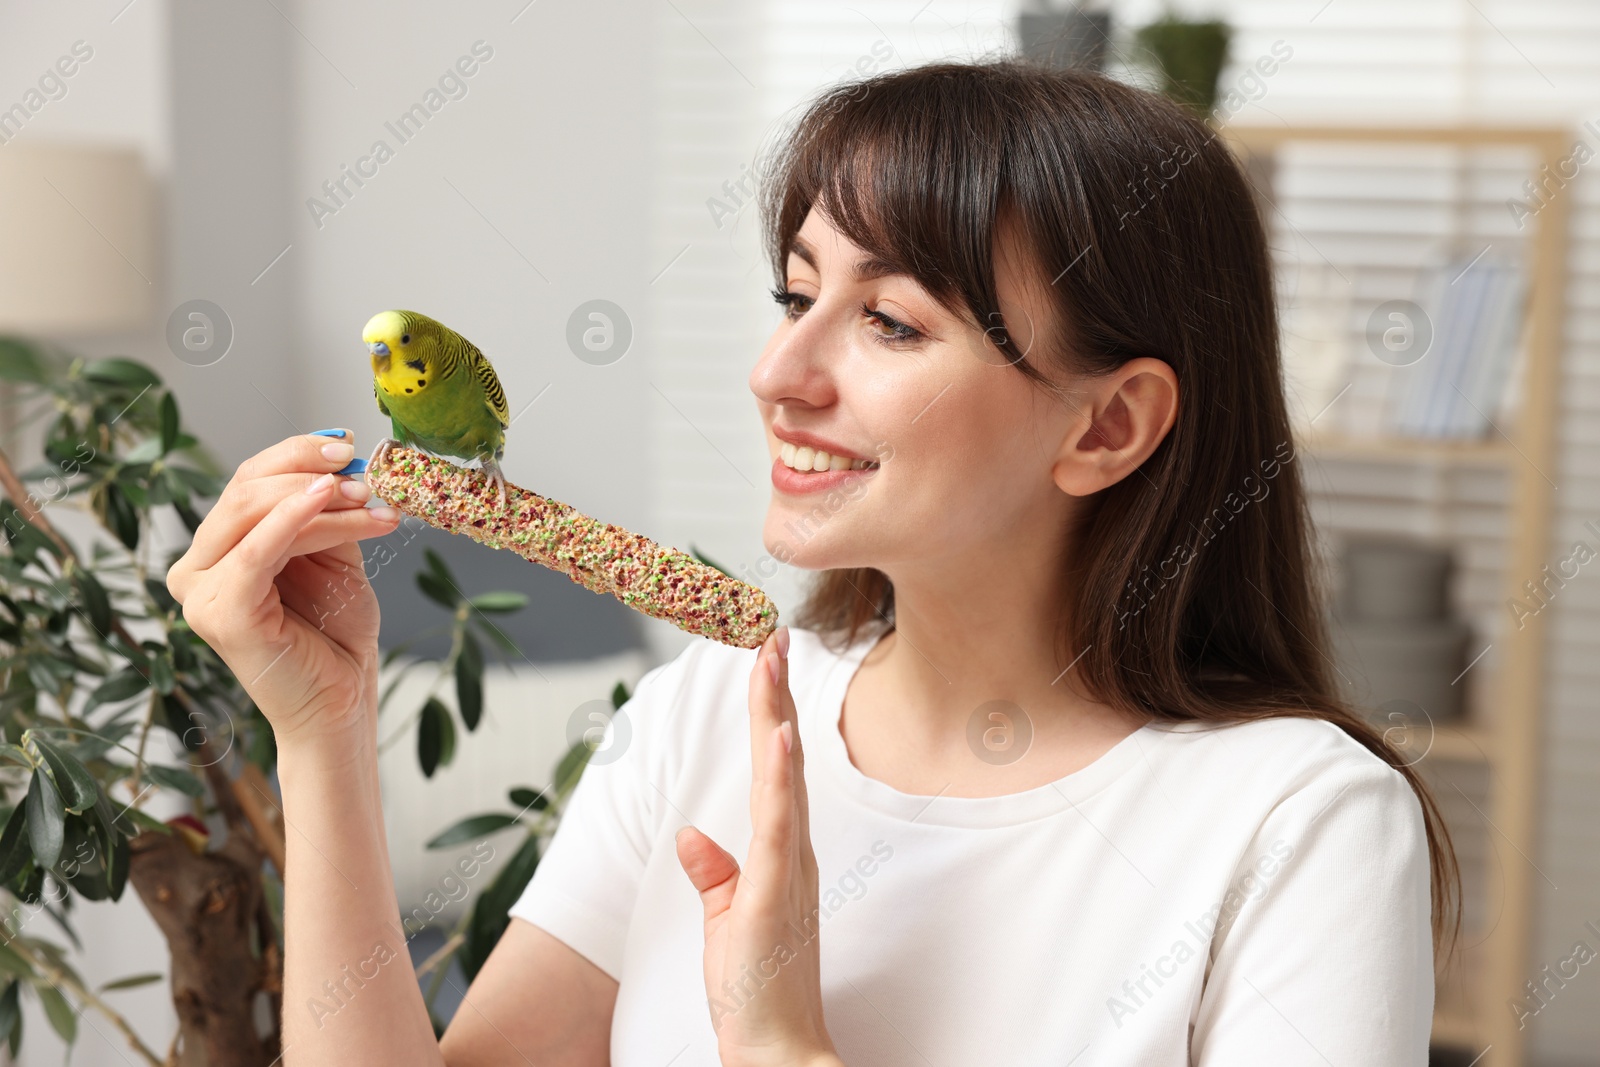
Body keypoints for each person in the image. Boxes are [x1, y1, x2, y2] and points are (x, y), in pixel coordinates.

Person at [167, 60, 1458, 1066]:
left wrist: (784, 1046)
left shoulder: (1302, 826)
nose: (778, 376)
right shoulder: (699, 715)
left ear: (1106, 425)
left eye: (890, 321)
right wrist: (319, 728)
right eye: (797, 298)